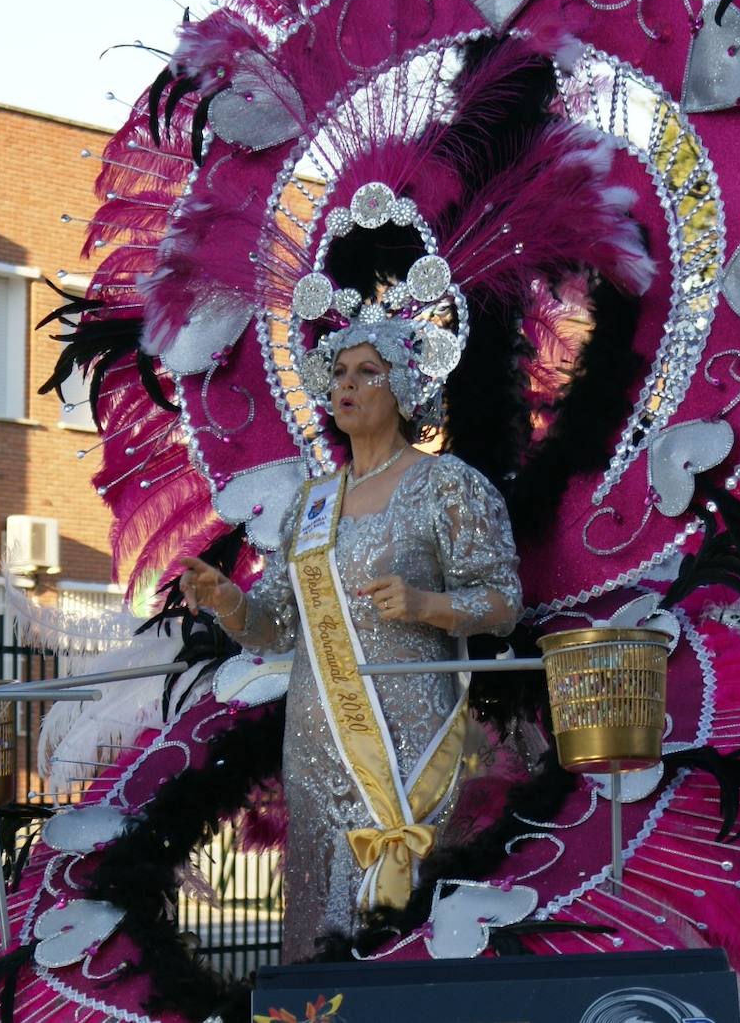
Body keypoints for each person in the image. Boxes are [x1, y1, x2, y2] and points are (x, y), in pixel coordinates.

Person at [178, 330, 521, 962]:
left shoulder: (446, 484)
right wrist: (228, 598)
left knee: (404, 915)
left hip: (410, 742)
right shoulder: (312, 504)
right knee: (320, 929)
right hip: (317, 744)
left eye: (367, 371)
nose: (346, 385)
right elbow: (275, 627)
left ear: (406, 389)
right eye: (338, 372)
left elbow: (503, 603)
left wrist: (428, 605)